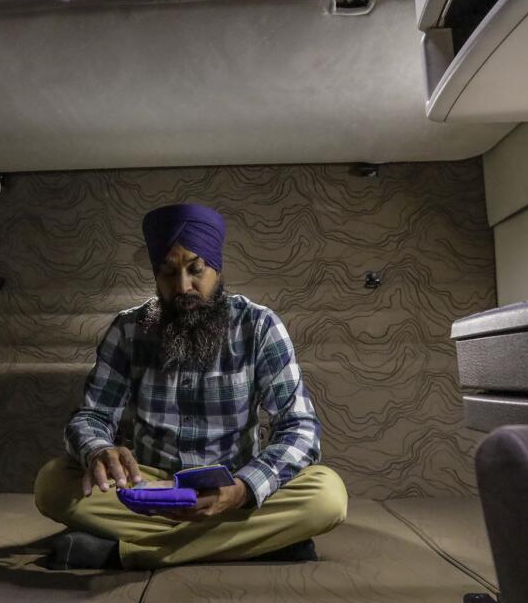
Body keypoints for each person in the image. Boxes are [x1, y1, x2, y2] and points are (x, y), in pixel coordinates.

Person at [34, 202, 348, 570]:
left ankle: (123, 552)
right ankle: (258, 543)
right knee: (52, 484)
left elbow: (301, 428)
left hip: (231, 487)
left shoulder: (260, 326)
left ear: (216, 267)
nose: (183, 286)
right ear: (155, 276)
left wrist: (244, 489)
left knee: (327, 496)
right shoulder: (127, 331)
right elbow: (91, 416)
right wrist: (99, 449)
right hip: (150, 490)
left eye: (195, 270)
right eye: (168, 273)